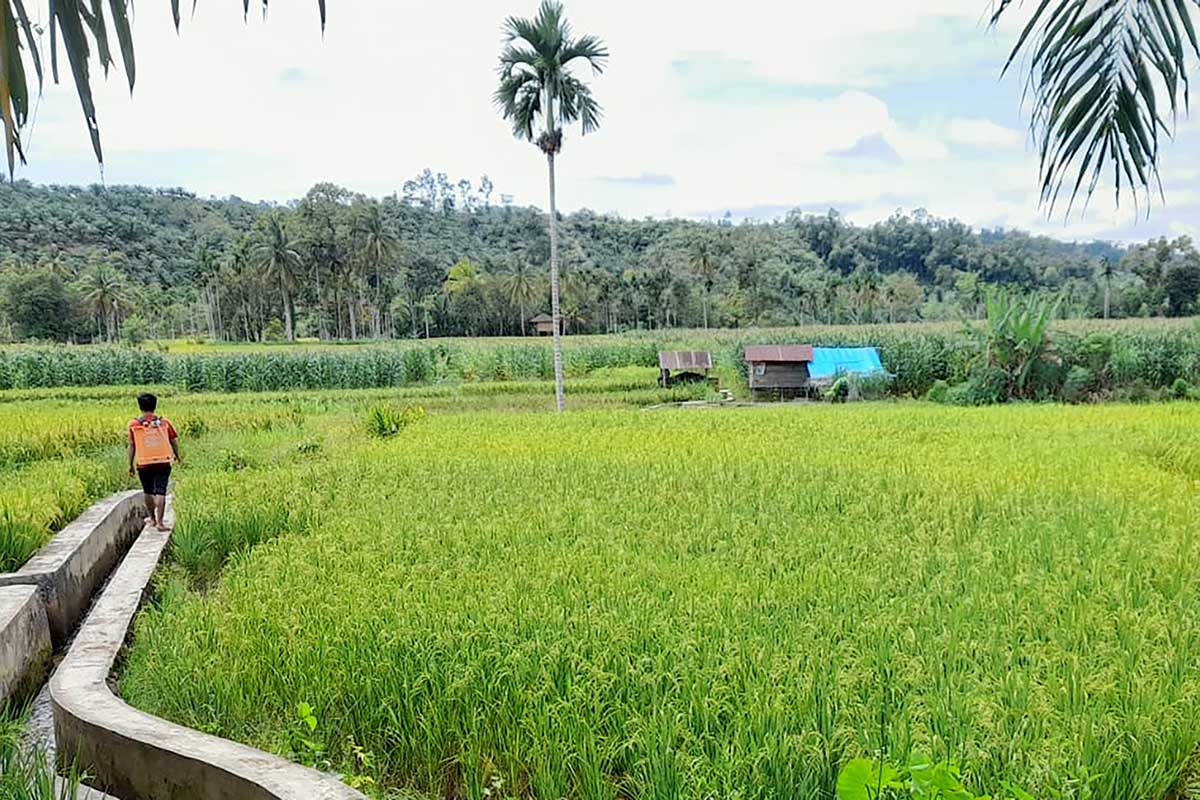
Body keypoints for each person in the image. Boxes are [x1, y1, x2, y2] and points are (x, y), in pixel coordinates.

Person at [127, 393, 181, 532]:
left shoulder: (134, 424)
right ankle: (161, 523)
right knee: (160, 491)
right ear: (155, 405)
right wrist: (177, 455)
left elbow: (132, 445)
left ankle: (152, 518)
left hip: (144, 463)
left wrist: (130, 464)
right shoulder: (164, 422)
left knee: (148, 491)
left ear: (140, 406)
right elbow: (173, 440)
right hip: (163, 461)